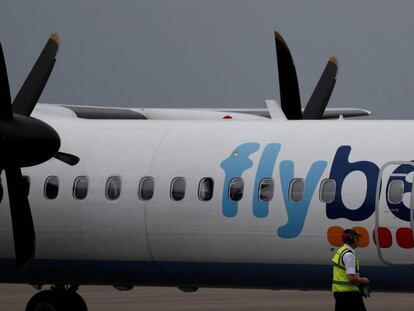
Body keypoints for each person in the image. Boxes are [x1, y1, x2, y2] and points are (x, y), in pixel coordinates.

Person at [332, 228, 370, 311]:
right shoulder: (349, 255)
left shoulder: (341, 251)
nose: (358, 240)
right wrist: (364, 280)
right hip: (349, 295)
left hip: (339, 293)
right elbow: (351, 278)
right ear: (352, 239)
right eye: (357, 238)